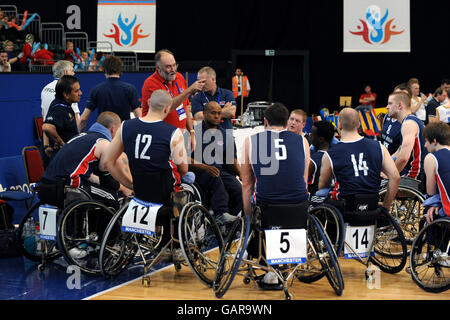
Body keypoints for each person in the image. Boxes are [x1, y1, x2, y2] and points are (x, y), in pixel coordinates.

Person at [102, 89, 190, 253]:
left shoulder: (125, 126)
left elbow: (108, 161)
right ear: (166, 109)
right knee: (186, 184)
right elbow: (183, 169)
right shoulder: (173, 132)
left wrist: (128, 183)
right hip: (164, 194)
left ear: (148, 104)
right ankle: (176, 244)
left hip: (140, 190)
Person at [240, 102, 310, 288]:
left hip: (268, 209)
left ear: (265, 121)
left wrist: (247, 218)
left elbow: (247, 184)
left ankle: (256, 253)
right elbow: (304, 181)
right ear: (287, 122)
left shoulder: (250, 141)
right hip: (299, 208)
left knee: (253, 209)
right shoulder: (302, 142)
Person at [39, 111, 132, 211]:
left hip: (45, 186)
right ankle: (106, 227)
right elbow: (107, 180)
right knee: (111, 197)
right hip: (66, 187)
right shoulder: (103, 143)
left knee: (101, 190)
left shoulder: (82, 136)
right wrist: (125, 188)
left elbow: (87, 175)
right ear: (113, 130)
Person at [318, 108, 400, 211]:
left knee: (320, 193)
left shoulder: (330, 154)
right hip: (371, 206)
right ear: (359, 124)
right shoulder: (379, 147)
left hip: (345, 207)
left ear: (339, 125)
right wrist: (386, 205)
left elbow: (323, 185)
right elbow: (395, 177)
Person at [141, 49, 205, 150]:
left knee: (183, 165)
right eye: (168, 67)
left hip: (179, 135)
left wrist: (191, 132)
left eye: (174, 65)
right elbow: (166, 108)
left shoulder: (179, 78)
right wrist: (189, 91)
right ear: (158, 68)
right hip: (158, 138)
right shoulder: (151, 84)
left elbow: (185, 108)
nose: (173, 69)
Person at [190, 101, 242, 224]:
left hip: (219, 171)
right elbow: (184, 159)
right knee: (215, 176)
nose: (217, 116)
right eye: (213, 113)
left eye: (219, 113)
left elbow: (231, 161)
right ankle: (221, 214)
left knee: (239, 189)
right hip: (198, 171)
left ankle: (229, 224)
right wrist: (204, 167)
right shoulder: (193, 132)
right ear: (204, 113)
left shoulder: (225, 135)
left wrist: (242, 174)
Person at [80, 55, 141, 131]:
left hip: (103, 133)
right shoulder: (130, 89)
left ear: (105, 70)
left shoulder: (97, 89)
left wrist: (79, 134)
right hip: (123, 132)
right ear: (120, 69)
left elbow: (83, 119)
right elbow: (139, 116)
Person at [41, 61, 81, 167]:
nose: (74, 73)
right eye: (72, 70)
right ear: (65, 72)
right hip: (65, 140)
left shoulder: (45, 89)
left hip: (49, 140)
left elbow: (44, 116)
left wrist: (45, 144)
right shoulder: (69, 90)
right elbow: (76, 117)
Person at [386, 91, 427, 193]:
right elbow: (399, 151)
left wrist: (390, 174)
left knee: (377, 184)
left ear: (400, 105)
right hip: (414, 172)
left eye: (390, 103)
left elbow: (403, 158)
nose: (387, 107)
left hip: (415, 175)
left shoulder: (408, 124)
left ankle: (384, 208)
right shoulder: (409, 121)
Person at [422, 122, 450, 223]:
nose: (425, 145)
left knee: (429, 212)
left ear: (434, 141)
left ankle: (431, 239)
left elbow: (431, 192)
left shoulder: (431, 158)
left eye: (426, 141)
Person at [308, 120, 335, 195]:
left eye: (312, 134)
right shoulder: (338, 155)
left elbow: (300, 181)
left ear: (321, 139)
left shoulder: (313, 161)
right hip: (332, 198)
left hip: (315, 199)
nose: (309, 135)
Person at [380, 84, 408, 155]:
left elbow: (403, 155)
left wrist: (389, 163)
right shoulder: (387, 116)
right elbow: (383, 139)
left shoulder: (408, 122)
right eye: (396, 95)